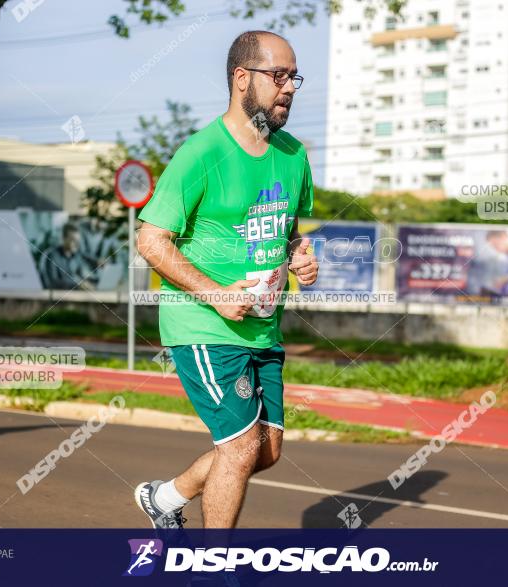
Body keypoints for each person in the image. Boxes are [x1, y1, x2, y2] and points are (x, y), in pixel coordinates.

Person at [133, 30, 318, 529]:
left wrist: (301, 254)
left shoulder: (294, 155)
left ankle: (166, 497)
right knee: (238, 449)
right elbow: (151, 240)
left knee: (266, 451)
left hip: (262, 328)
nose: (289, 88)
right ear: (242, 79)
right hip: (204, 326)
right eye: (278, 76)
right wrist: (214, 295)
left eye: (293, 77)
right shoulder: (200, 154)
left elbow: (289, 231)